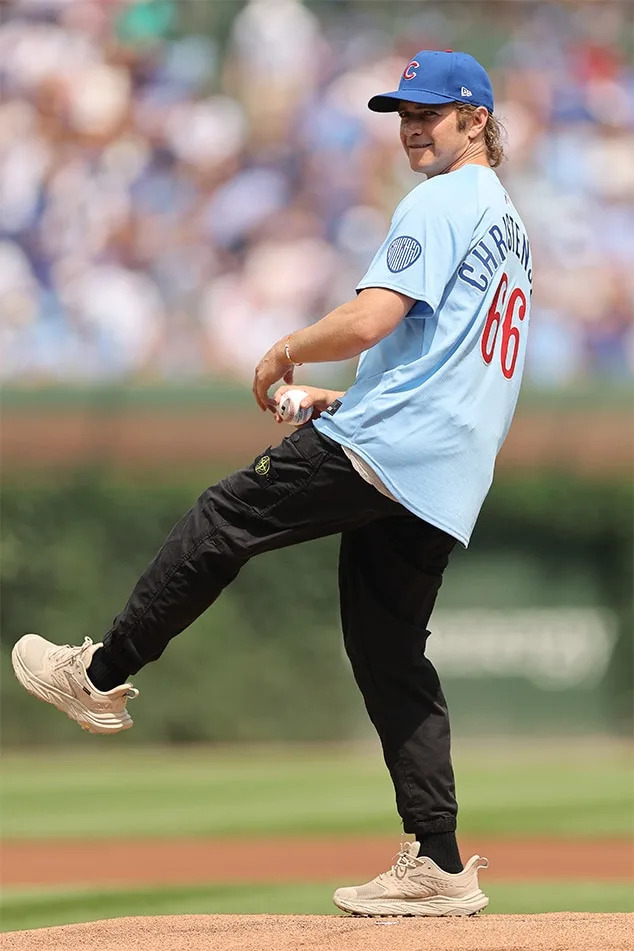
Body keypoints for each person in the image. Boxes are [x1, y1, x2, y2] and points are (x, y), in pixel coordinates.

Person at [12, 50, 532, 917]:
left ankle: (98, 674)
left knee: (225, 515)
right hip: (448, 465)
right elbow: (452, 359)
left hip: (395, 446)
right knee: (388, 650)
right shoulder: (506, 220)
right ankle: (438, 860)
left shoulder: (442, 200)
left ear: (476, 119)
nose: (412, 126)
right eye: (404, 112)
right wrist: (353, 400)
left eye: (430, 112)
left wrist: (285, 349)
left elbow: (372, 317)